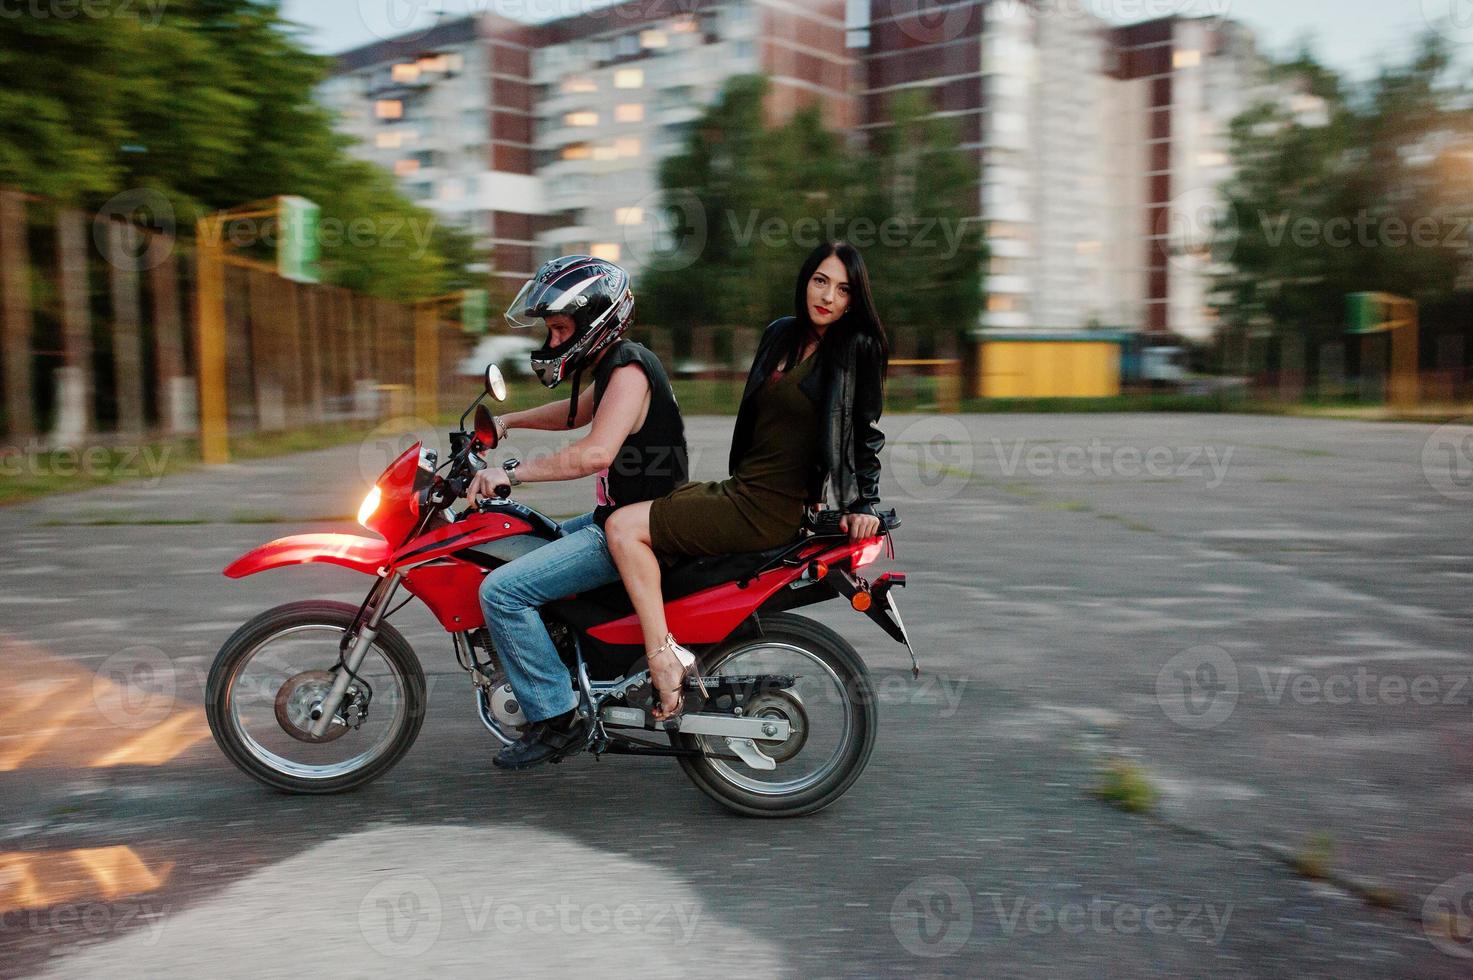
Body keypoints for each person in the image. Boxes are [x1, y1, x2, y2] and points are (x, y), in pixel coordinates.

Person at [604, 241, 889, 721]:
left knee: (622, 528)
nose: (828, 297)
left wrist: (864, 502)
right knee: (643, 520)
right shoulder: (780, 334)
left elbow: (865, 434)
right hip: (741, 488)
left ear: (853, 300)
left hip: (769, 507)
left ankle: (663, 663)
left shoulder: (856, 350)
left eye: (843, 289)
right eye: (821, 281)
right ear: (806, 281)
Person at [466, 255, 688, 770]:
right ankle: (569, 666)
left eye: (561, 327)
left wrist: (510, 472)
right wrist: (507, 423)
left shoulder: (629, 369)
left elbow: (594, 452)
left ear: (594, 322)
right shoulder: (618, 364)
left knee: (501, 590)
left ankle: (555, 715)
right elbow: (577, 412)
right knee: (523, 538)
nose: (552, 341)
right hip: (615, 518)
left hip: (633, 529)